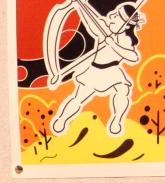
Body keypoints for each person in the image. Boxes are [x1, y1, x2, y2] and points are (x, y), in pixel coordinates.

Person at [50, 4, 146, 136]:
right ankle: (62, 120)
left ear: (126, 25)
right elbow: (92, 21)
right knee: (78, 98)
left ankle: (117, 120)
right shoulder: (104, 29)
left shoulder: (125, 40)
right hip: (94, 71)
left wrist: (113, 44)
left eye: (117, 15)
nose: (111, 15)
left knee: (123, 90)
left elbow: (133, 56)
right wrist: (81, 5)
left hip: (112, 72)